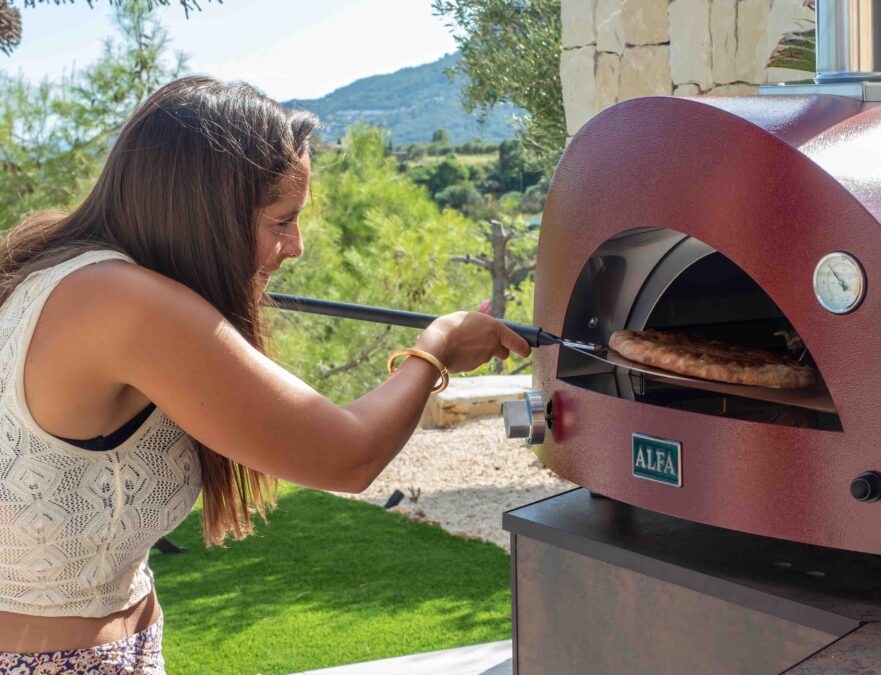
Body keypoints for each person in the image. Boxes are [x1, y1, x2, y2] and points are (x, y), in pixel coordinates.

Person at [0, 76, 530, 671]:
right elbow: (345, 456)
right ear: (202, 214)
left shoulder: (60, 267)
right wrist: (437, 348)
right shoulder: (123, 304)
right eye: (282, 221)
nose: (296, 245)